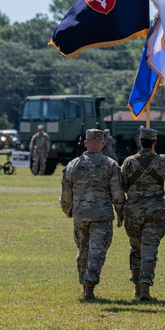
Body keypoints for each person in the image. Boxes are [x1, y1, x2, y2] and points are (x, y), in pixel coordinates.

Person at [60, 128, 124, 301]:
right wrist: (120, 214)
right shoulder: (110, 164)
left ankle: (84, 283)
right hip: (102, 216)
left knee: (83, 249)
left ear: (86, 143)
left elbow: (66, 194)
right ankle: (89, 285)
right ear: (102, 144)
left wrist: (68, 210)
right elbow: (117, 194)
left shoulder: (73, 164)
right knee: (97, 251)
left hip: (81, 215)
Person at [120, 127, 165, 300]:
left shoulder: (129, 162)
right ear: (155, 142)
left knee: (136, 248)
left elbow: (123, 185)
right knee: (150, 249)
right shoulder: (163, 160)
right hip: (156, 210)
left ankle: (136, 287)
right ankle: (145, 287)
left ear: (140, 141)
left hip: (133, 212)